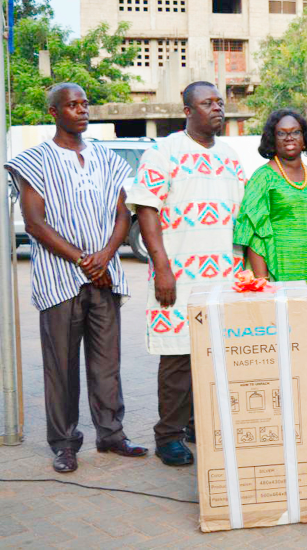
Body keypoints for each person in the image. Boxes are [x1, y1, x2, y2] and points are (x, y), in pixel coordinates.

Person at [4, 83, 148, 473]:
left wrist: (104, 258)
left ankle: (111, 434)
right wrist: (85, 261)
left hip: (105, 276)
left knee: (107, 363)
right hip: (60, 280)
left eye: (85, 104)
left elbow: (123, 214)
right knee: (60, 367)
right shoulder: (35, 160)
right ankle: (65, 443)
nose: (82, 110)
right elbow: (35, 223)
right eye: (72, 105)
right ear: (54, 112)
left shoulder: (105, 156)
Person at [127, 81, 246, 466]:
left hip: (224, 277)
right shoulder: (163, 152)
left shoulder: (230, 156)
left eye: (219, 103)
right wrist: (161, 266)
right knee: (177, 358)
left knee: (213, 356)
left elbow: (242, 219)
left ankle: (198, 424)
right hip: (178, 274)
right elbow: (146, 209)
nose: (217, 108)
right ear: (187, 110)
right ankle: (169, 436)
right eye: (207, 103)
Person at [234, 110, 307, 362]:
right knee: (283, 345)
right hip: (277, 273)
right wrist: (262, 282)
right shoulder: (262, 177)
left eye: (295, 132)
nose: (289, 138)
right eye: (282, 133)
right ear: (272, 139)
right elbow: (254, 231)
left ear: (304, 138)